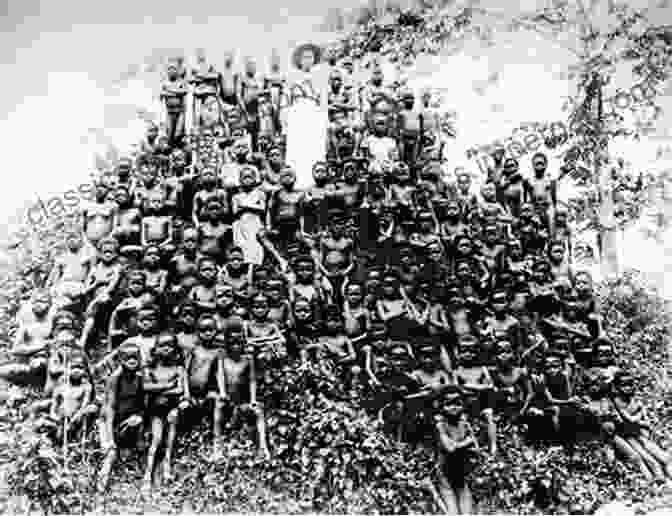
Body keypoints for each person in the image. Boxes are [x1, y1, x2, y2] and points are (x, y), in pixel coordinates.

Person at [285, 43, 329, 190]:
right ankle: (296, 183)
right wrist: (285, 119)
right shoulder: (292, 77)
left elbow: (323, 101)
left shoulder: (319, 78)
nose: (308, 60)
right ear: (299, 59)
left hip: (313, 113)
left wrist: (324, 119)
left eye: (311, 57)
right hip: (297, 113)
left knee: (313, 147)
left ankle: (314, 183)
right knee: (298, 147)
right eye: (305, 57)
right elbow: (286, 99)